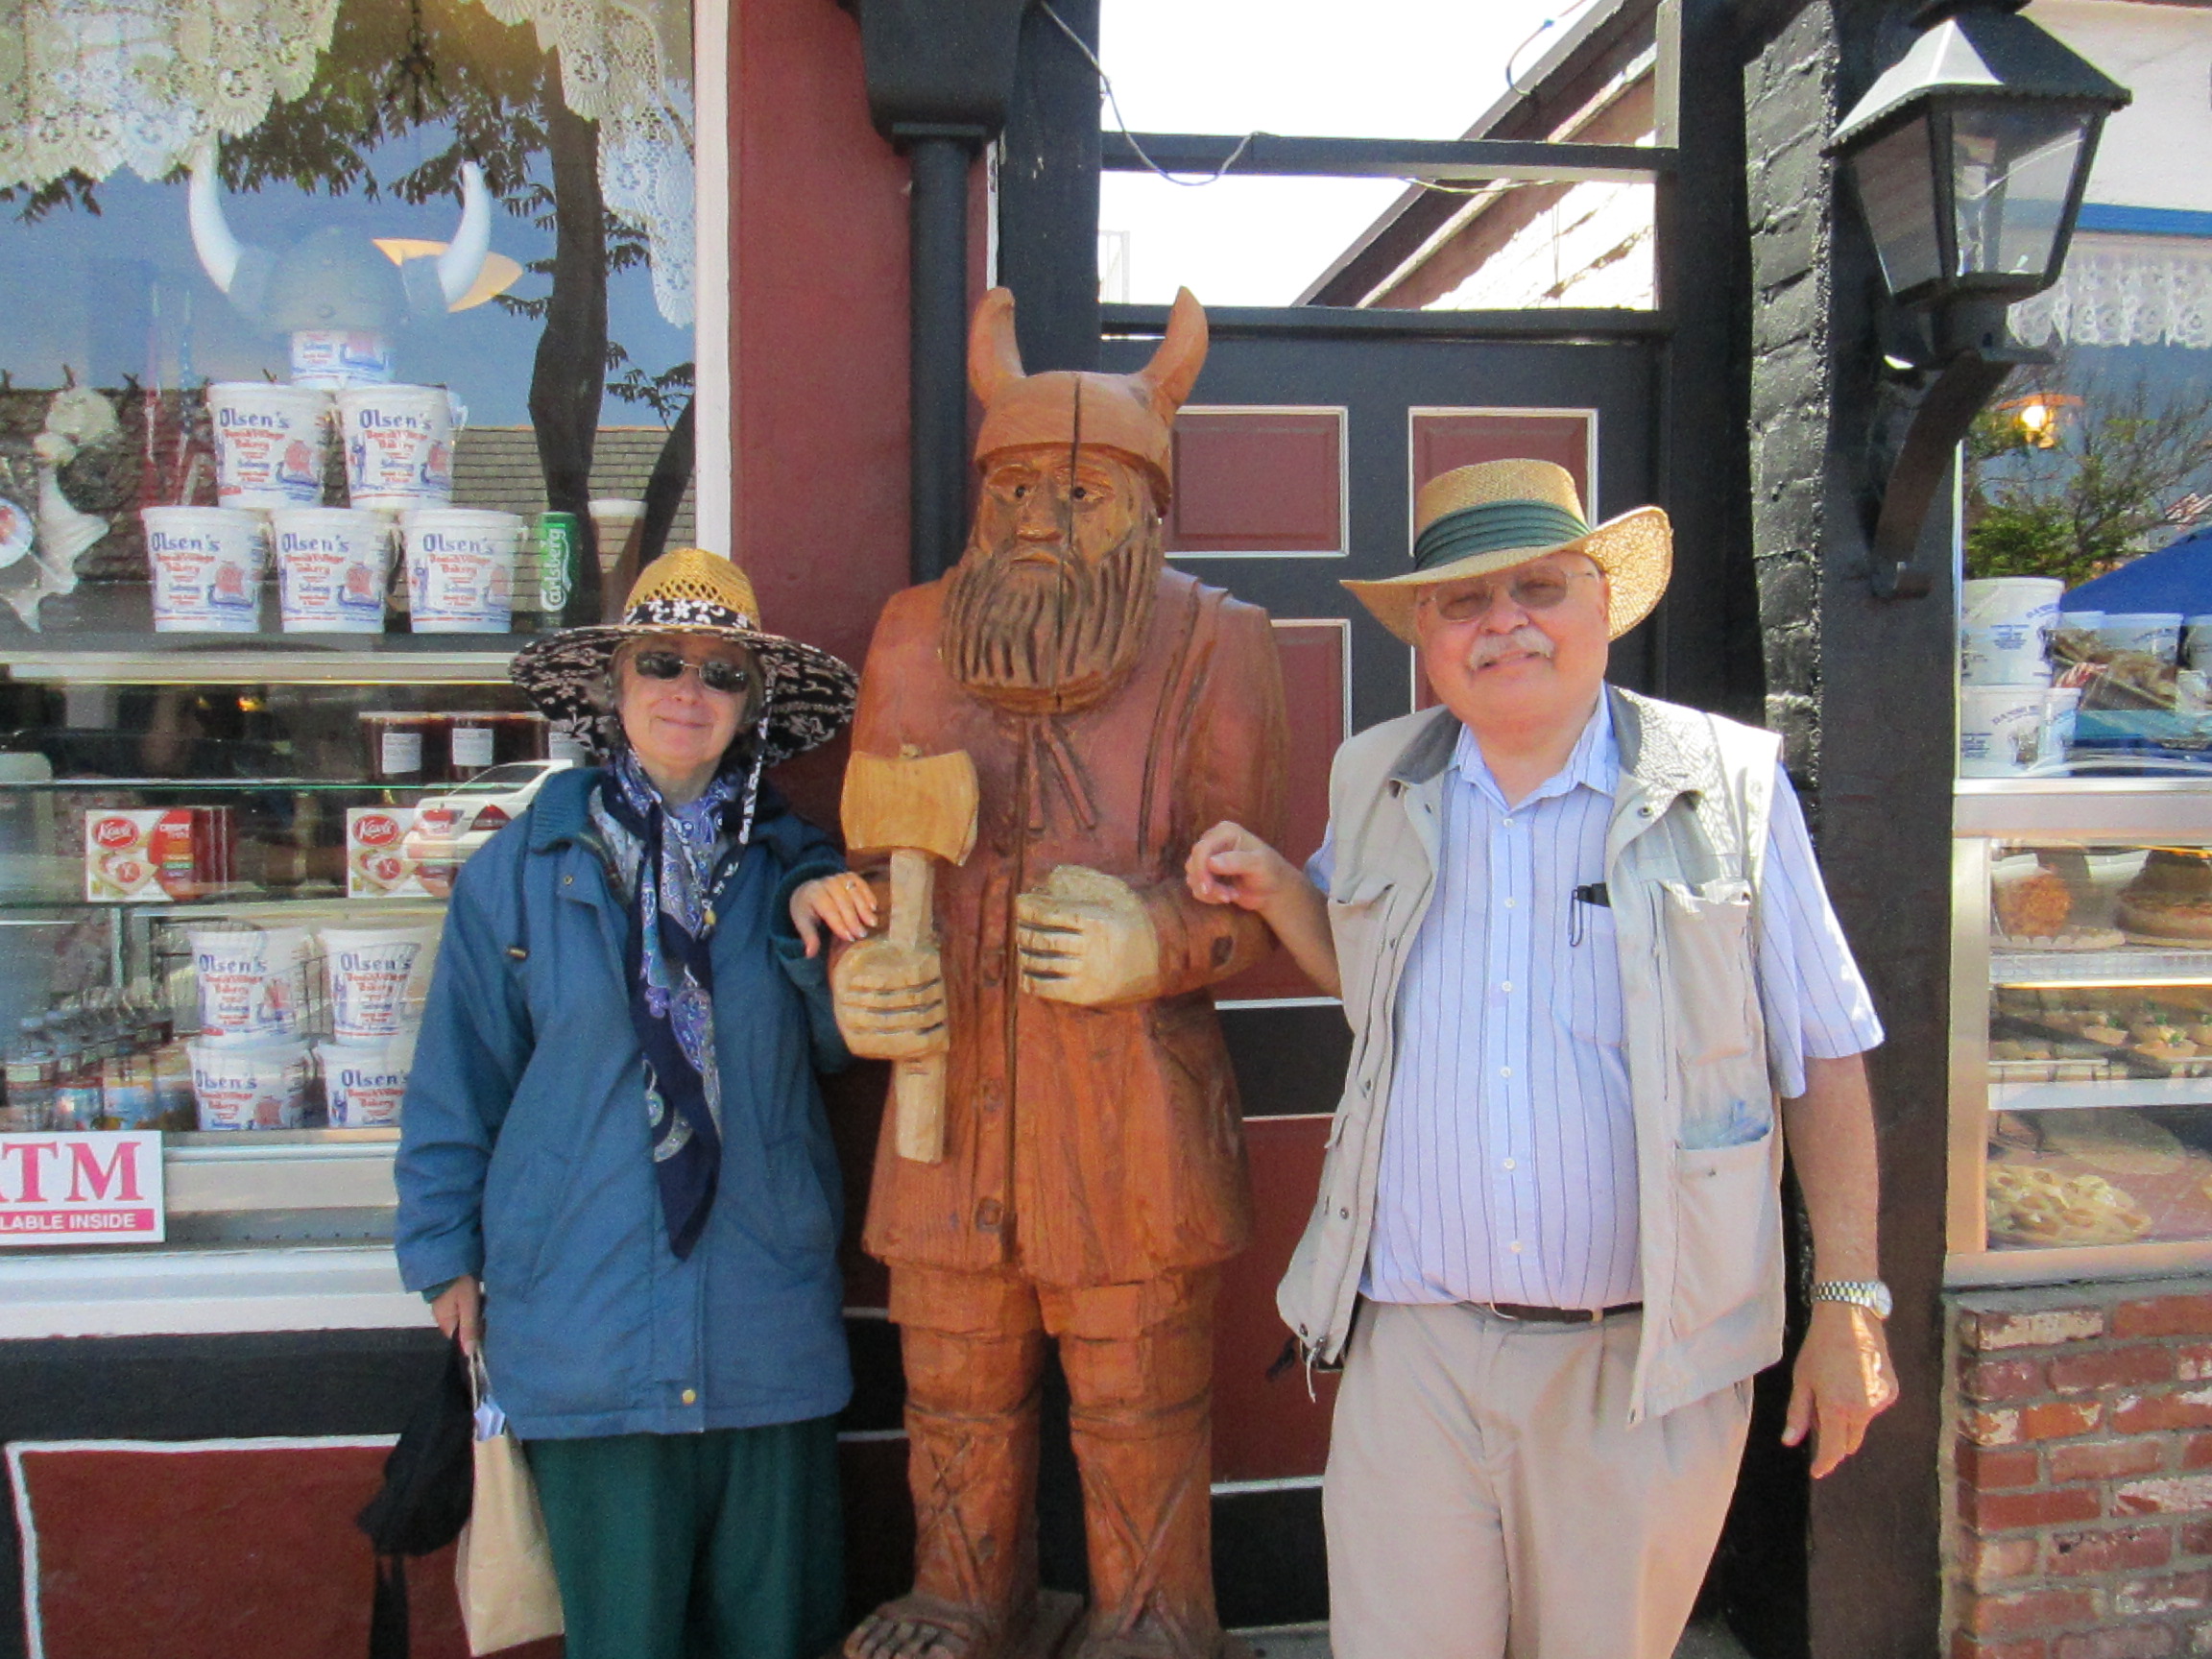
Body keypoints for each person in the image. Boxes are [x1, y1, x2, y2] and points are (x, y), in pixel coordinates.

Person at [1184, 460, 1899, 1659]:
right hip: (1415, 1353)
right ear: (1426, 635)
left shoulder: (1726, 785)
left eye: (1539, 588)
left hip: (1642, 1366)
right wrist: (1275, 889)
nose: (1504, 622)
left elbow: (1823, 1055)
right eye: (1464, 600)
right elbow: (1372, 977)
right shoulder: (1376, 776)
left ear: (1602, 604)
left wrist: (1850, 1300)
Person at [830, 287, 1288, 1659]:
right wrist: (866, 971)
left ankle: (1155, 1618)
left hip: (1128, 1126)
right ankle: (961, 1596)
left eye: (1079, 492)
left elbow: (1259, 903)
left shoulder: (1220, 644)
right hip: (949, 1110)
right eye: (1015, 488)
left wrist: (1157, 939)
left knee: (1139, 1393)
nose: (1039, 518)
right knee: (952, 1382)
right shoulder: (912, 637)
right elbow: (870, 869)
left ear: (1148, 510)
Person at [395, 547, 878, 1659]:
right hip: (584, 1324)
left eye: (721, 672)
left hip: (762, 1323)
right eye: (660, 662)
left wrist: (827, 934)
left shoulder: (792, 872)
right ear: (614, 685)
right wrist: (442, 1252)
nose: (687, 690)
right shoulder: (519, 871)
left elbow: (844, 1051)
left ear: (751, 705)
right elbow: (459, 1074)